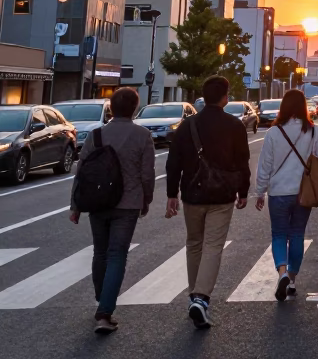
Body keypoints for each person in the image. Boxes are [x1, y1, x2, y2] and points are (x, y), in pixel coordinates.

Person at [165, 75, 251, 329]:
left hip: (192, 194)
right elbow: (242, 162)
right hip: (222, 195)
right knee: (213, 245)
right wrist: (243, 191)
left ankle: (195, 296)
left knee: (194, 244)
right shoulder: (234, 126)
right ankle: (201, 299)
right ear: (225, 97)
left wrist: (172, 194)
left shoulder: (187, 126)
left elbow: (173, 163)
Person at [69, 86, 155, 334]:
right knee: (117, 254)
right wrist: (145, 199)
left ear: (111, 108)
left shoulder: (96, 136)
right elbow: (147, 174)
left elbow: (81, 173)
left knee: (101, 252)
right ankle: (105, 312)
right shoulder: (142, 135)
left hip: (97, 203)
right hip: (127, 204)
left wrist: (75, 206)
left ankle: (102, 299)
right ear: (134, 108)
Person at [254, 89, 318, 301]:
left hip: (278, 192)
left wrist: (260, 192)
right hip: (303, 192)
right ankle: (292, 278)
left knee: (279, 234)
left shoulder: (273, 132)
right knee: (297, 234)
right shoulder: (313, 131)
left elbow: (265, 166)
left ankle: (281, 273)